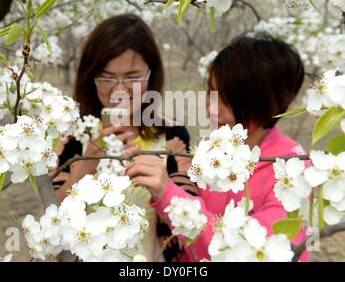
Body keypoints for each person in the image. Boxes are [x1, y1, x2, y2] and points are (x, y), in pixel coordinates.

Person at [126, 34, 310, 262]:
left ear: (264, 105)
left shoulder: (292, 172)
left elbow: (242, 253)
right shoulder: (216, 150)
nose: (211, 109)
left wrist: (168, 192)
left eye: (227, 100)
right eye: (211, 92)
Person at [53, 14, 195, 261]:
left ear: (151, 75)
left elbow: (190, 223)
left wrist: (163, 187)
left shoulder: (173, 136)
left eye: (132, 78)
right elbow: (53, 219)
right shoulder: (73, 137)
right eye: (107, 78)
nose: (119, 90)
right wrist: (86, 164)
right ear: (91, 77)